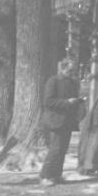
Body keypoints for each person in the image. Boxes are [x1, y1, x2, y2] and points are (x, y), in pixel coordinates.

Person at [40, 59, 84, 187]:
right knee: (55, 149)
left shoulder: (72, 82)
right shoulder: (53, 81)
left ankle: (56, 175)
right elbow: (48, 101)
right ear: (62, 69)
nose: (72, 73)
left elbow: (72, 99)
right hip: (55, 120)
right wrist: (67, 102)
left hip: (67, 121)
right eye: (70, 70)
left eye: (74, 70)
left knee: (63, 150)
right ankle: (45, 176)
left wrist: (78, 102)